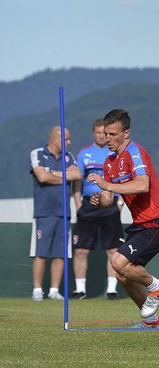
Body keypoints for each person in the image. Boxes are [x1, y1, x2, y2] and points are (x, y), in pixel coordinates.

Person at [86, 109, 159, 329]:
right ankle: (152, 322)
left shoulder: (136, 152)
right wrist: (101, 198)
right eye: (106, 134)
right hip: (141, 225)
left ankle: (158, 286)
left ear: (127, 133)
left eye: (113, 134)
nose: (108, 139)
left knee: (117, 261)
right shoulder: (109, 162)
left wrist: (107, 185)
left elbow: (143, 185)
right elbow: (109, 198)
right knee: (123, 276)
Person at [72, 119, 124, 300]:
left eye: (105, 133)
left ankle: (111, 289)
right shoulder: (84, 154)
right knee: (81, 249)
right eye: (98, 133)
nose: (102, 136)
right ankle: (80, 289)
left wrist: (119, 204)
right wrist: (78, 204)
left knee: (112, 249)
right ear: (93, 133)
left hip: (110, 205)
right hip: (88, 205)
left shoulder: (114, 154)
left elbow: (123, 180)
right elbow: (77, 179)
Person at [29, 126, 82, 301]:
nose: (69, 143)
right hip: (44, 212)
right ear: (55, 138)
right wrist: (64, 176)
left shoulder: (70, 156)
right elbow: (42, 177)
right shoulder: (37, 153)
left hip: (64, 212)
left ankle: (54, 290)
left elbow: (78, 175)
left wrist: (53, 173)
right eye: (66, 139)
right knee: (41, 252)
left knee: (60, 254)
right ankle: (37, 290)